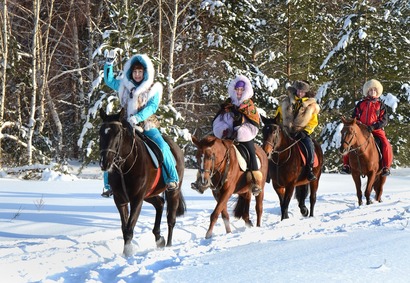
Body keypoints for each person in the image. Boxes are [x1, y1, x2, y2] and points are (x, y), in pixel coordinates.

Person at [101, 51, 179, 197]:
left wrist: (137, 118)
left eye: (140, 72)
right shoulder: (124, 85)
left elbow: (152, 107)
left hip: (147, 124)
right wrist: (109, 64)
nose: (137, 74)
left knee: (162, 146)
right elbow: (109, 80)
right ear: (131, 72)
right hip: (126, 125)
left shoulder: (153, 88)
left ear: (146, 72)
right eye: (135, 71)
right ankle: (108, 185)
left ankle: (172, 178)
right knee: (110, 147)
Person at [212, 74, 262, 195]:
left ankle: (255, 181)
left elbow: (254, 122)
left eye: (241, 90)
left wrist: (240, 131)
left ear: (245, 91)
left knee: (251, 151)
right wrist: (222, 129)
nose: (239, 92)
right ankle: (204, 178)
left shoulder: (249, 105)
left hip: (244, 137)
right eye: (237, 89)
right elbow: (219, 119)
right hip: (226, 137)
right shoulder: (228, 104)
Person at [341, 79, 393, 177]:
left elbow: (384, 120)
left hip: (376, 130)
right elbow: (354, 117)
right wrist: (358, 124)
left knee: (386, 144)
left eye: (374, 90)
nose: (372, 91)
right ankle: (346, 165)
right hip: (361, 130)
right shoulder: (361, 104)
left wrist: (373, 126)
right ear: (367, 91)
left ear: (377, 92)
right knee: (349, 142)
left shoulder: (380, 105)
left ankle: (386, 166)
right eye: (370, 90)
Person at [273, 80, 320, 181]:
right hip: (286, 132)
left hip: (301, 133)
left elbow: (313, 122)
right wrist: (278, 126)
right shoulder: (286, 102)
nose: (300, 93)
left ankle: (309, 169)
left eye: (302, 92)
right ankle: (270, 169)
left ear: (306, 92)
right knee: (272, 144)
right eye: (298, 90)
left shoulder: (311, 107)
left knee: (309, 145)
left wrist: (305, 132)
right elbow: (278, 116)